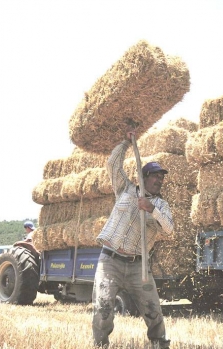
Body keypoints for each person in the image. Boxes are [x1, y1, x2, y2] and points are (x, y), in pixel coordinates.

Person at [92, 129, 174, 349]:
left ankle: (159, 343)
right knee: (103, 306)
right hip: (110, 261)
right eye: (155, 176)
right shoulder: (125, 189)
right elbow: (112, 165)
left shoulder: (161, 205)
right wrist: (125, 143)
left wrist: (151, 209)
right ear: (143, 176)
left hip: (139, 266)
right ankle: (100, 344)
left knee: (153, 309)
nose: (159, 180)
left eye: (162, 177)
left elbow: (169, 229)